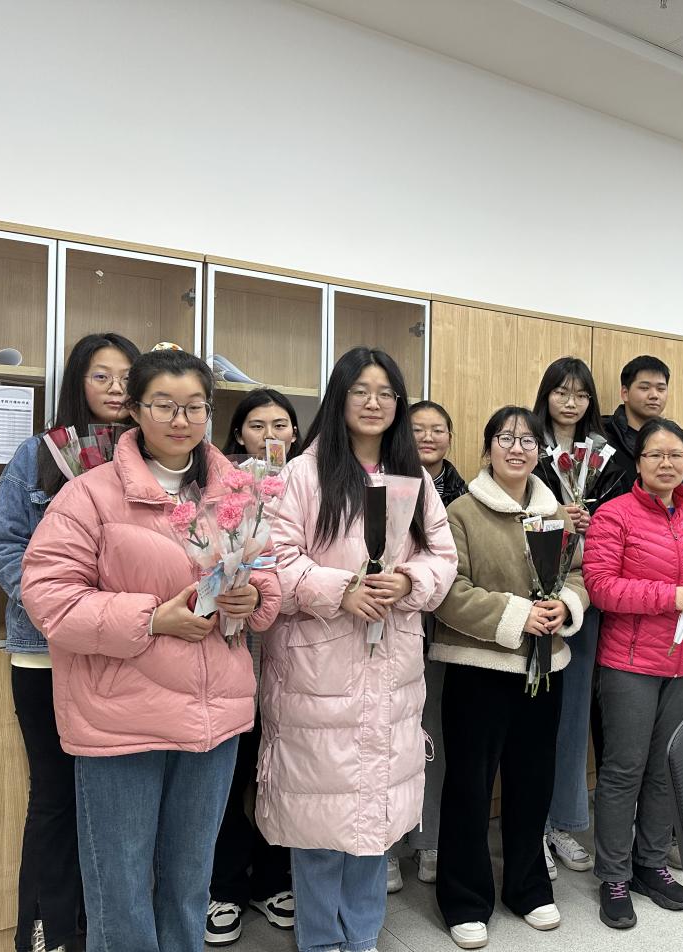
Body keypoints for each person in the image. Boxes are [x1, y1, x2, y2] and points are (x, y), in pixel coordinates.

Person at [21, 349, 282, 952]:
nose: (180, 419)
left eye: (194, 406)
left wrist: (252, 598)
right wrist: (151, 619)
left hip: (213, 718)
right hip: (123, 719)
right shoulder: (90, 495)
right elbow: (49, 597)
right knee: (120, 889)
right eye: (164, 405)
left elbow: (266, 575)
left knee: (189, 885)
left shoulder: (239, 492)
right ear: (136, 410)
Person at [255, 347, 458, 952]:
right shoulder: (303, 474)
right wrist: (340, 590)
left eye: (386, 392)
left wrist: (408, 581)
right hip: (318, 668)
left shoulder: (414, 477)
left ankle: (363, 937)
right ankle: (321, 940)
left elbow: (441, 556)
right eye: (360, 391)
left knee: (375, 817)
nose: (374, 403)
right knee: (318, 819)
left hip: (392, 664)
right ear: (338, 398)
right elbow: (273, 559)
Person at [0, 332, 140, 952]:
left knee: (115, 802)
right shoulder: (39, 453)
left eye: (126, 376)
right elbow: (2, 543)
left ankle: (104, 930)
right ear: (78, 381)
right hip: (45, 651)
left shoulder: (147, 454)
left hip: (126, 650)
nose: (116, 388)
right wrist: (62, 608)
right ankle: (47, 932)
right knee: (54, 796)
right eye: (101, 376)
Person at [431, 406, 589, 950]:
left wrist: (565, 607)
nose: (516, 448)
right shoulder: (460, 512)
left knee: (532, 780)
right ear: (487, 448)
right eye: (506, 438)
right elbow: (449, 593)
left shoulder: (556, 513)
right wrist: (520, 614)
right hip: (480, 668)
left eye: (527, 440)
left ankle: (527, 887)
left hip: (545, 666)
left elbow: (577, 575)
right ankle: (464, 898)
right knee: (470, 787)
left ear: (539, 452)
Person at [583, 419, 683, 930]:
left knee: (666, 768)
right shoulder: (614, 514)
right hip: (631, 663)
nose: (667, 464)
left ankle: (649, 864)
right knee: (623, 769)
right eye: (656, 455)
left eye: (676, 455)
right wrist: (669, 596)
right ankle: (614, 874)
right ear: (639, 462)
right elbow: (600, 587)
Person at [206, 389, 303, 944]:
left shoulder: (312, 481)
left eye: (281, 424)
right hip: (238, 647)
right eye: (258, 425)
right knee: (234, 770)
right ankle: (223, 885)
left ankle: (274, 880)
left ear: (295, 432)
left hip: (302, 651)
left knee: (281, 771)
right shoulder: (224, 486)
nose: (271, 435)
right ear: (239, 433)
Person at [378, 399, 468, 894]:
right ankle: (389, 848)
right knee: (390, 736)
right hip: (388, 623)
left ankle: (429, 838)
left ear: (451, 437)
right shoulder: (383, 483)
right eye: (418, 429)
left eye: (439, 429)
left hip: (447, 632)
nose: (428, 437)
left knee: (434, 738)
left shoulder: (467, 494)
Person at [530, 357, 609, 877]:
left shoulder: (606, 456)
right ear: (546, 395)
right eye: (561, 391)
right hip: (532, 598)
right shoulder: (525, 445)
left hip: (583, 596)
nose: (571, 402)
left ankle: (561, 821)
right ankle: (530, 825)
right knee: (534, 715)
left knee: (574, 715)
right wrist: (558, 517)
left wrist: (591, 522)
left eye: (581, 394)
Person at [600, 355, 669, 505]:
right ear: (625, 393)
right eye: (644, 388)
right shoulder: (601, 436)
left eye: (661, 389)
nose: (654, 395)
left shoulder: (677, 439)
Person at [221, 387, 302, 462]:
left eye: (279, 425)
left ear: (294, 434)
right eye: (257, 426)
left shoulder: (304, 470)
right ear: (239, 436)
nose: (269, 435)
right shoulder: (222, 471)